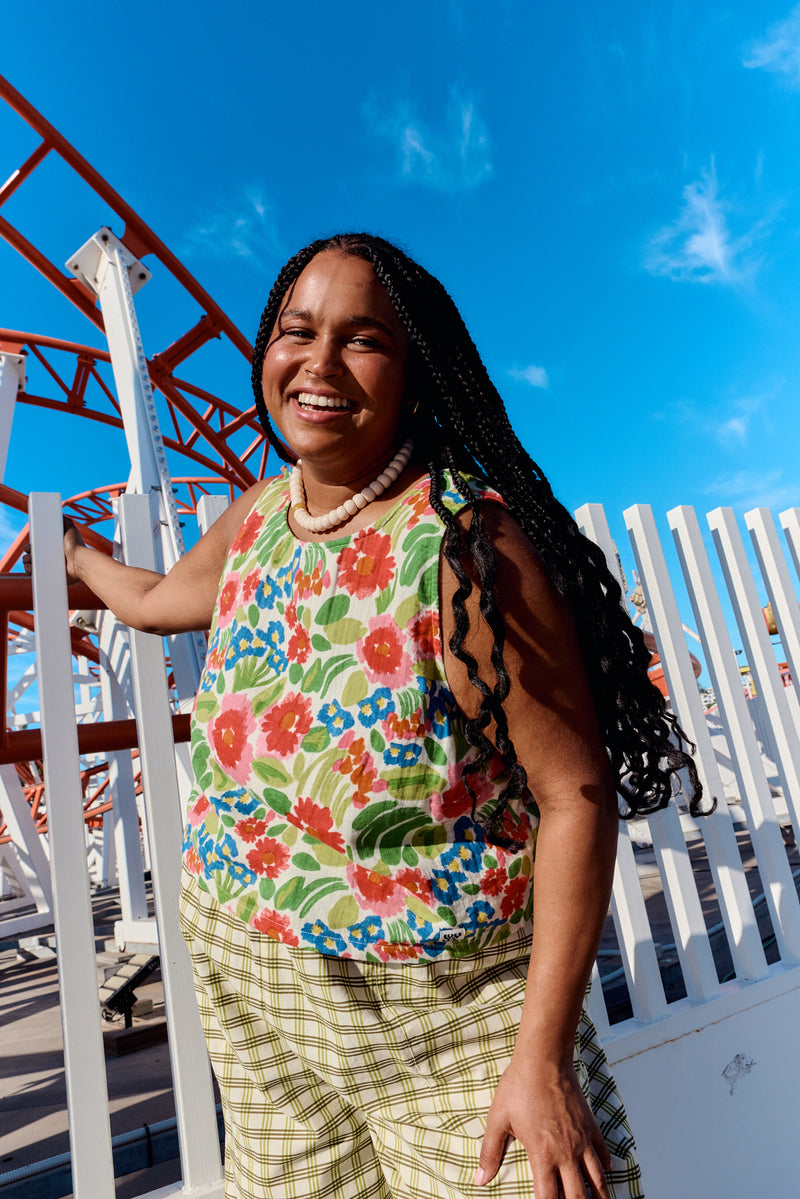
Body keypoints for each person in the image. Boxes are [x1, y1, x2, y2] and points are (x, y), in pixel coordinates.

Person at [55, 233, 701, 1199]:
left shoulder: (466, 542)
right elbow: (156, 603)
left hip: (441, 1009)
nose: (317, 364)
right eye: (295, 331)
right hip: (252, 972)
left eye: (363, 340)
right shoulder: (261, 513)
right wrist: (77, 560)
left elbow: (574, 794)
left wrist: (543, 1059)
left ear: (414, 373)